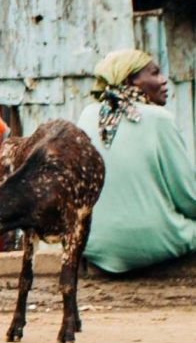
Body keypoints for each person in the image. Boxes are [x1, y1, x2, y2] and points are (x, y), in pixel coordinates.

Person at [76, 47, 196, 274]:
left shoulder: (88, 115)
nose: (163, 81)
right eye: (154, 73)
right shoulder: (159, 120)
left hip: (93, 243)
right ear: (131, 80)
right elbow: (188, 198)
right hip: (153, 238)